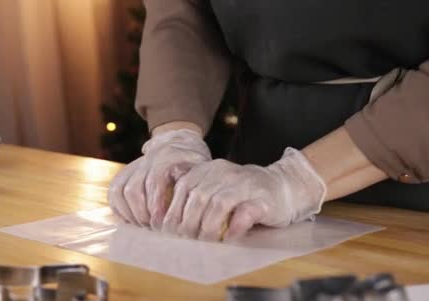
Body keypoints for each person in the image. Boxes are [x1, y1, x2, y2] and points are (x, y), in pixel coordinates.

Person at [108, 0, 429, 242]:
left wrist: (297, 181)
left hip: (413, 197)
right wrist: (174, 137)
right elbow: (184, 12)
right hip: (256, 186)